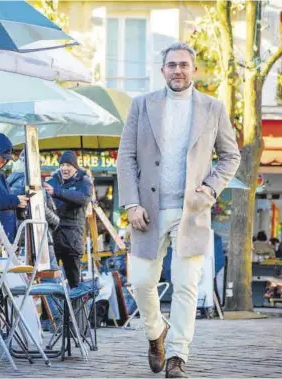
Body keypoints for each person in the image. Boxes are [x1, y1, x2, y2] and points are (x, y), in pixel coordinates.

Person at [117, 42, 240, 378]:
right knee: (141, 282)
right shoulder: (142, 106)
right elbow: (125, 157)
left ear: (194, 70)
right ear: (162, 70)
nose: (178, 70)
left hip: (191, 212)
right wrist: (131, 203)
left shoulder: (213, 108)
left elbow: (231, 156)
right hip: (148, 212)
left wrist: (211, 188)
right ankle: (156, 333)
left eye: (184, 65)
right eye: (171, 65)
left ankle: (177, 357)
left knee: (186, 285)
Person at [43, 151, 92, 288]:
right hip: (52, 236)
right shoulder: (52, 181)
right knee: (50, 281)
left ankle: (75, 309)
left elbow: (82, 198)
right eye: (62, 165)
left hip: (72, 238)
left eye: (68, 165)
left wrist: (56, 192)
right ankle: (52, 309)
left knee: (74, 282)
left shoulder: (84, 182)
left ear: (75, 167)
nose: (64, 168)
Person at [0, 133, 29, 242]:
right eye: (3, 158)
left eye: (7, 159)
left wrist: (17, 202)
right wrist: (15, 200)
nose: (5, 161)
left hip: (4, 232)